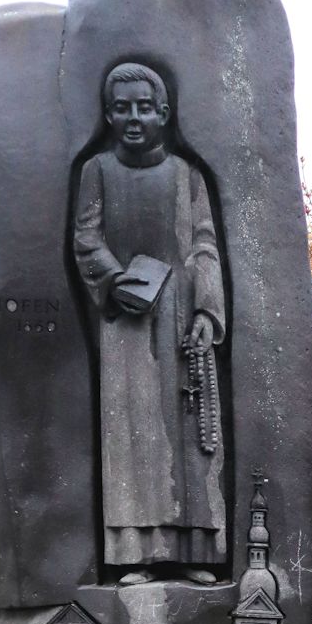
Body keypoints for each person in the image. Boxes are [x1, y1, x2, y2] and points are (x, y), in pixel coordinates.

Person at [74, 63, 227, 584]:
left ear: (163, 113)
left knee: (188, 437)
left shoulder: (188, 176)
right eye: (122, 108)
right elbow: (85, 238)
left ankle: (193, 554)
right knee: (132, 436)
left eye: (144, 107)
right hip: (126, 327)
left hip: (182, 317)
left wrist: (208, 312)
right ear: (108, 115)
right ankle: (135, 554)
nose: (133, 118)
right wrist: (114, 281)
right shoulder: (96, 170)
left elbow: (205, 244)